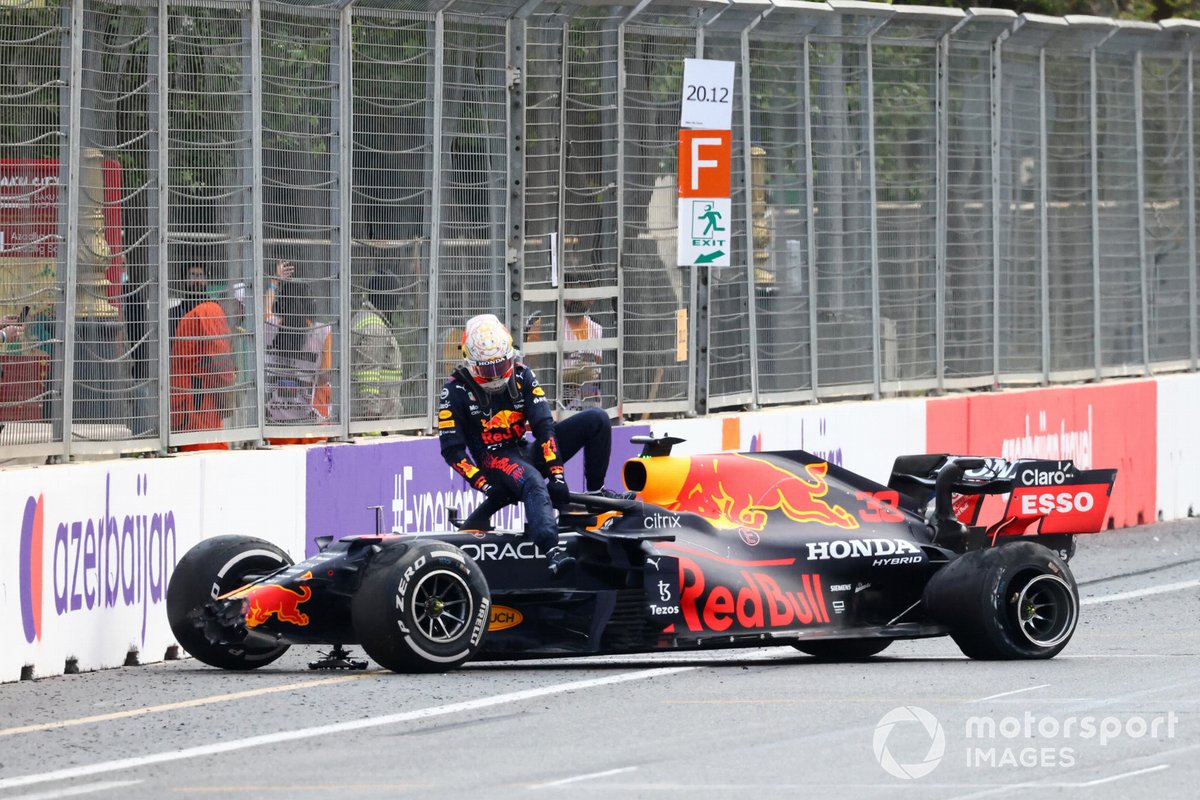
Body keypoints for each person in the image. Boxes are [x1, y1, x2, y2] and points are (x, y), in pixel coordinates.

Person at [437, 314, 632, 577]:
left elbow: (544, 428)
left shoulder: (523, 375)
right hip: (493, 459)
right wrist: (484, 485)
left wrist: (558, 475)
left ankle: (596, 495)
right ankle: (552, 550)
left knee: (596, 419)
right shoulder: (455, 391)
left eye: (500, 365)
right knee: (532, 481)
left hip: (525, 450)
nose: (495, 375)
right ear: (470, 364)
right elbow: (452, 451)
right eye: (487, 369)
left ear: (511, 356)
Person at [169, 264, 235, 452]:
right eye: (192, 275)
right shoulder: (209, 312)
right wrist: (227, 381)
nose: (197, 280)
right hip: (194, 389)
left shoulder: (210, 311)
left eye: (200, 275)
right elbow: (220, 354)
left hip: (198, 389)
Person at [263, 279, 333, 432]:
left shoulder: (269, 326)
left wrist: (273, 282)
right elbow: (324, 377)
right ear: (309, 303)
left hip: (274, 425)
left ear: (281, 304)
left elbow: (266, 308)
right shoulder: (323, 332)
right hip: (309, 426)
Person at [350, 273, 404, 421]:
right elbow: (368, 374)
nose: (398, 303)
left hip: (374, 417)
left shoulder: (363, 318)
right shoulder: (375, 329)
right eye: (396, 296)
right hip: (376, 422)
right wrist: (371, 417)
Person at [561, 299, 603, 410]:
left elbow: (606, 373)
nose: (571, 298)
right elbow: (534, 372)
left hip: (591, 405)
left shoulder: (598, 331)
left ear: (591, 300)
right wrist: (569, 376)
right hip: (558, 405)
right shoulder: (546, 328)